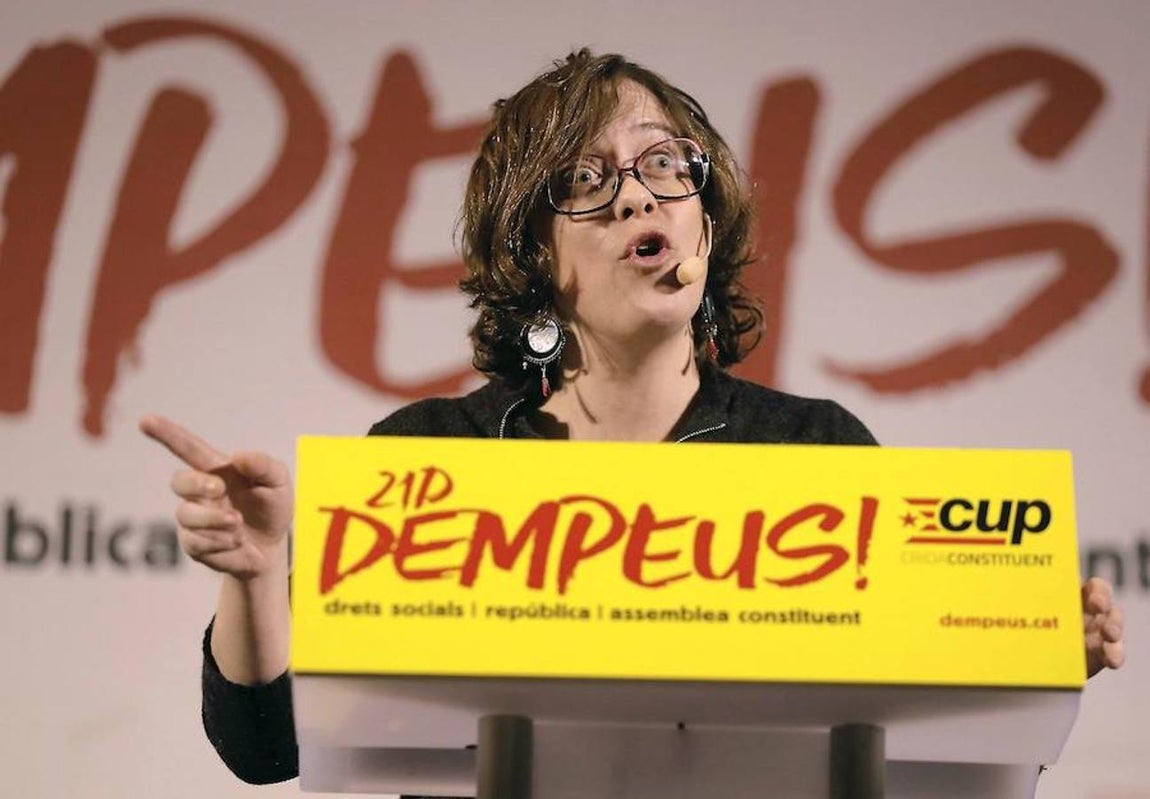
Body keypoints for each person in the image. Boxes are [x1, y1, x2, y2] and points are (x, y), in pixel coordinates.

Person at [140, 50, 1126, 786]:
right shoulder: (434, 459)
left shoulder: (815, 451)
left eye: (663, 165)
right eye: (582, 180)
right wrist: (261, 573)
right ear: (531, 254)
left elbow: (923, 759)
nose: (632, 199)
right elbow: (265, 750)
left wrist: (1023, 662)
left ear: (702, 217)